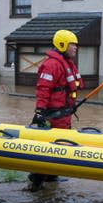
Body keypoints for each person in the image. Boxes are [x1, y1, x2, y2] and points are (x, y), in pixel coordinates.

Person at [27, 29, 84, 191]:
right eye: (72, 44)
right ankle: (35, 182)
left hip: (64, 114)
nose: (75, 48)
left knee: (61, 147)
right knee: (50, 149)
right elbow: (43, 89)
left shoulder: (68, 63)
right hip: (53, 115)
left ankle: (52, 177)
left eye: (75, 45)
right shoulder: (52, 64)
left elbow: (75, 85)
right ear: (62, 44)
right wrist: (39, 111)